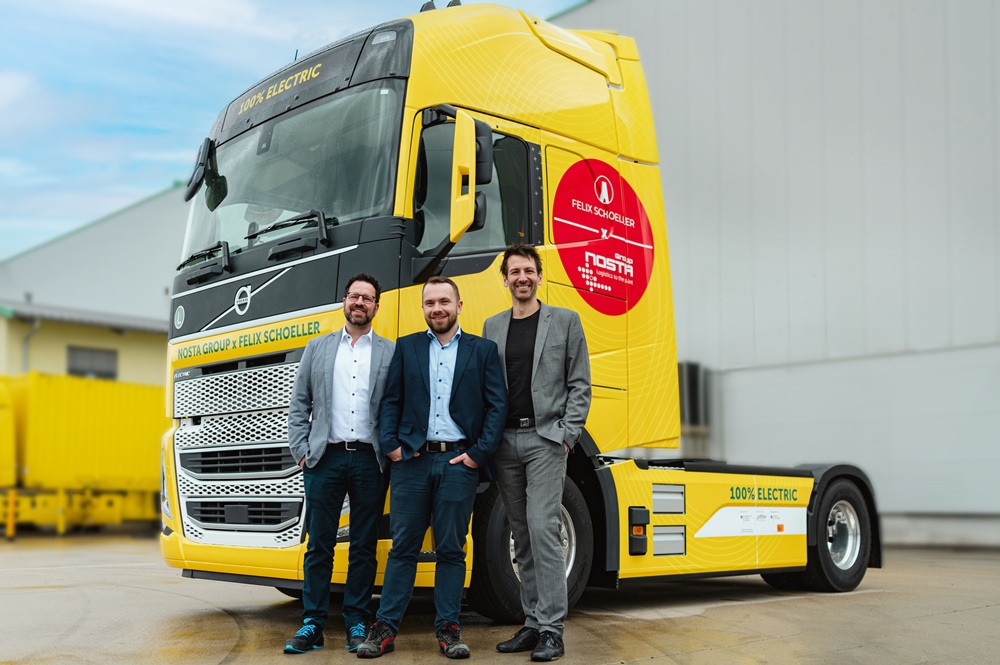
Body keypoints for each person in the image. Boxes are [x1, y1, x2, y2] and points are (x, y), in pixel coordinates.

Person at [357, 275, 508, 660]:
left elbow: (497, 407)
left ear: (459, 306)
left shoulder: (483, 350)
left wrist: (477, 455)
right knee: (403, 548)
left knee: (451, 550)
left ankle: (449, 629)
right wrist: (391, 446)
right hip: (412, 463)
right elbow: (391, 401)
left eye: (444, 302)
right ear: (423, 308)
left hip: (459, 463)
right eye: (430, 303)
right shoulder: (407, 347)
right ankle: (385, 628)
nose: (437, 309)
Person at [482, 244, 592, 662]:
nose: (522, 278)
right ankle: (532, 623)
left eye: (528, 271)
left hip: (546, 440)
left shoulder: (565, 321)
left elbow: (579, 383)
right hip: (505, 443)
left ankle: (552, 630)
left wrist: (567, 435)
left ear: (540, 277)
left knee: (544, 529)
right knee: (521, 534)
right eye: (514, 272)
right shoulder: (493, 326)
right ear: (505, 279)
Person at [284, 273, 395, 654]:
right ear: (344, 302)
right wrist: (301, 450)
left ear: (376, 306)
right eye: (354, 296)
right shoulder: (317, 348)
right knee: (319, 544)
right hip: (324, 459)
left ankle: (357, 621)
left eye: (367, 298)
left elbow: (395, 405)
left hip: (370, 460)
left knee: (364, 545)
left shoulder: (389, 352)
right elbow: (299, 403)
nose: (359, 303)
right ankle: (313, 623)